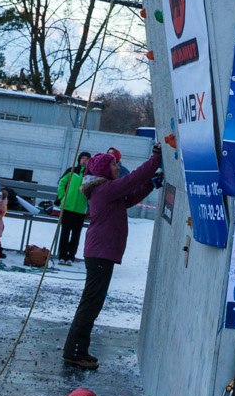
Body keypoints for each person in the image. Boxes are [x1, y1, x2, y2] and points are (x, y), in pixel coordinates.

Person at [63, 147, 163, 372]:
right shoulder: (105, 189)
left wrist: (151, 184)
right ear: (104, 170)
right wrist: (156, 158)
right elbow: (133, 179)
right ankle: (74, 351)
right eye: (114, 164)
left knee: (92, 303)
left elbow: (128, 198)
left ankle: (77, 349)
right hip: (100, 253)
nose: (118, 166)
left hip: (101, 253)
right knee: (90, 304)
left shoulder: (104, 191)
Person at [55, 154, 91, 264]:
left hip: (80, 209)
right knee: (65, 232)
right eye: (83, 158)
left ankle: (71, 256)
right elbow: (61, 183)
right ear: (79, 159)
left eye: (87, 159)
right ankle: (62, 255)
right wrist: (62, 197)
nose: (84, 160)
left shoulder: (90, 174)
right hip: (68, 206)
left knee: (76, 234)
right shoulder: (71, 171)